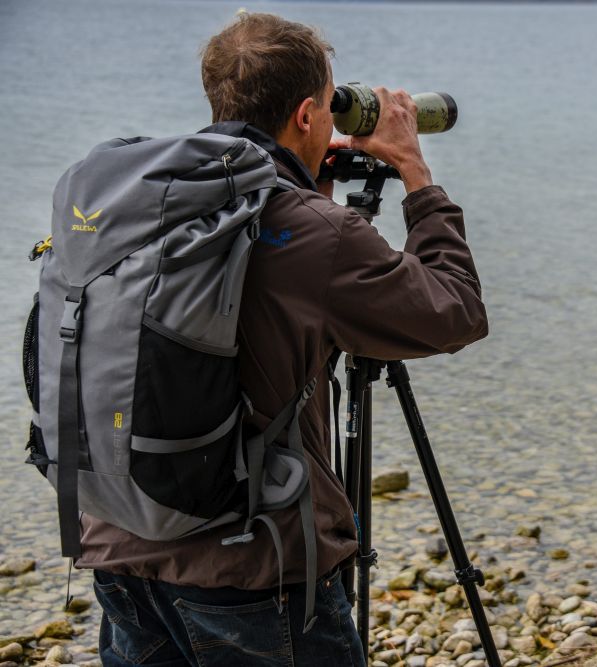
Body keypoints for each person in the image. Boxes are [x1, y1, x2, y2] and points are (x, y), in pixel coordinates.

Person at [74, 12, 488, 667]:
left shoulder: (143, 198)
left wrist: (311, 186)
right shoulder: (316, 233)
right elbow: (457, 309)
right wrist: (414, 171)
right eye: (328, 106)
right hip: (256, 582)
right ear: (304, 114)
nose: (330, 120)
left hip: (121, 550)